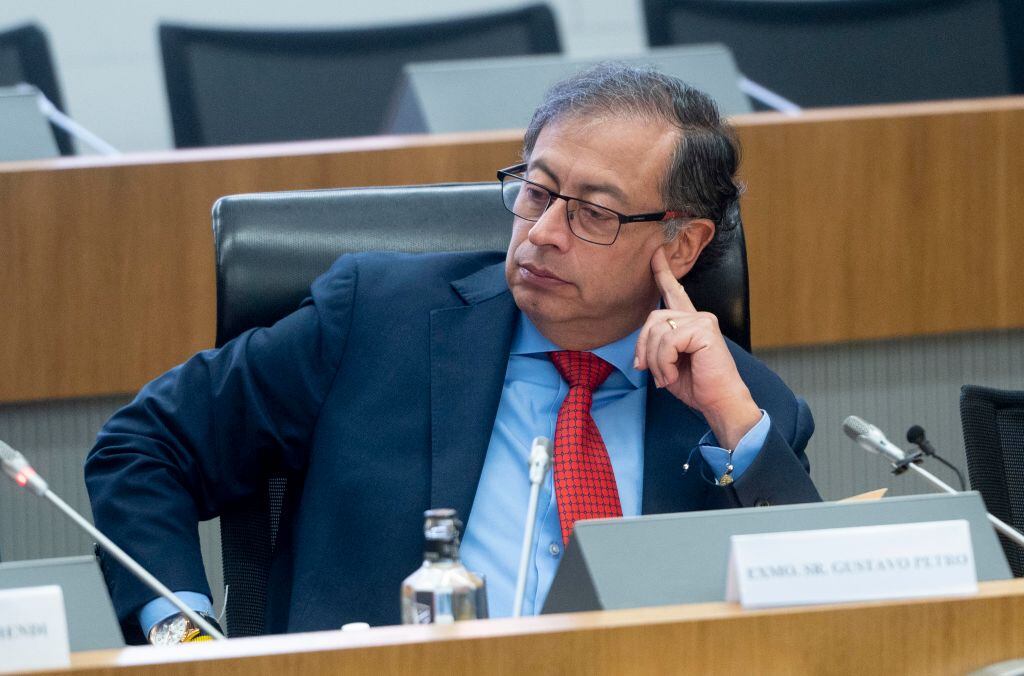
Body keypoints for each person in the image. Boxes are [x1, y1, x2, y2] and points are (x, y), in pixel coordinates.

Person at [85, 63, 821, 643]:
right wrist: (180, 636)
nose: (542, 234)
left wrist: (736, 425)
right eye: (536, 190)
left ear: (682, 243)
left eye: (593, 213)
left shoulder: (746, 409)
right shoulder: (377, 319)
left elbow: (817, 607)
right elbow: (146, 446)